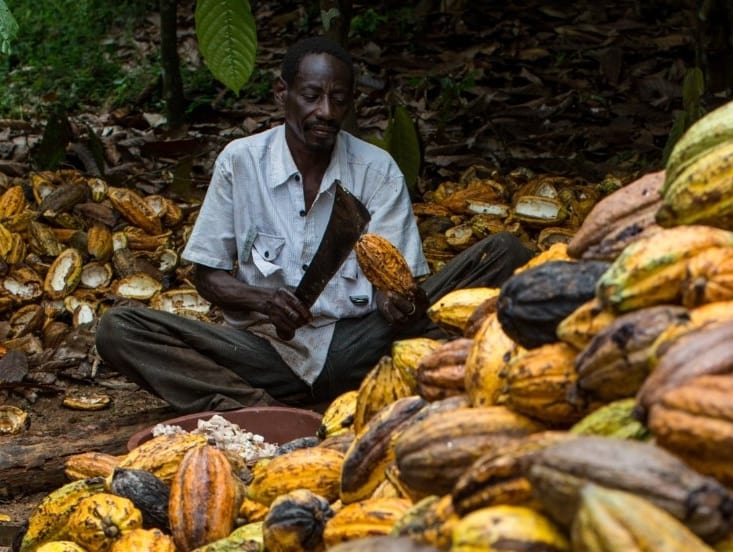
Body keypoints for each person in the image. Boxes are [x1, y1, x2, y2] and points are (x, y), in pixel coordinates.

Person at [95, 36, 534, 413]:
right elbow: (207, 275)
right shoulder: (241, 161)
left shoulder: (375, 170)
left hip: (361, 345)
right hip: (266, 353)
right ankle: (255, 408)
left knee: (505, 253)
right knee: (120, 330)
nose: (325, 110)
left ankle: (311, 400)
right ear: (281, 93)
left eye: (338, 99)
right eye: (311, 95)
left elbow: (394, 279)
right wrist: (262, 300)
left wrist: (396, 303)